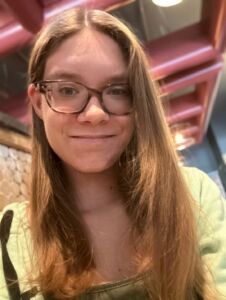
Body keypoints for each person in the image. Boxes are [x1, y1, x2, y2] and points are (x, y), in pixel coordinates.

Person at [0, 7, 226, 300]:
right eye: (68, 90)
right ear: (39, 102)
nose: (94, 113)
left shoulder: (192, 195)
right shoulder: (10, 234)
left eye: (118, 90)